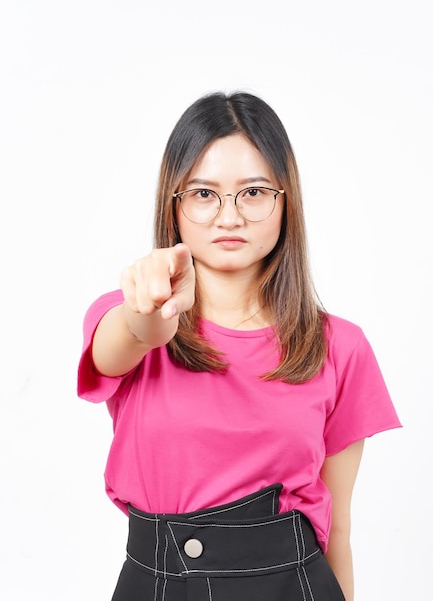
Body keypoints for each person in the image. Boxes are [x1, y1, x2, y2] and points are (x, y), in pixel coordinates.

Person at [78, 91, 401, 601]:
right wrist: (151, 315)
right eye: (204, 194)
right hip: (156, 585)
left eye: (252, 192)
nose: (229, 218)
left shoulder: (339, 346)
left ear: (284, 200)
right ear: (175, 204)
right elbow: (130, 337)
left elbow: (336, 529)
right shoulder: (124, 316)